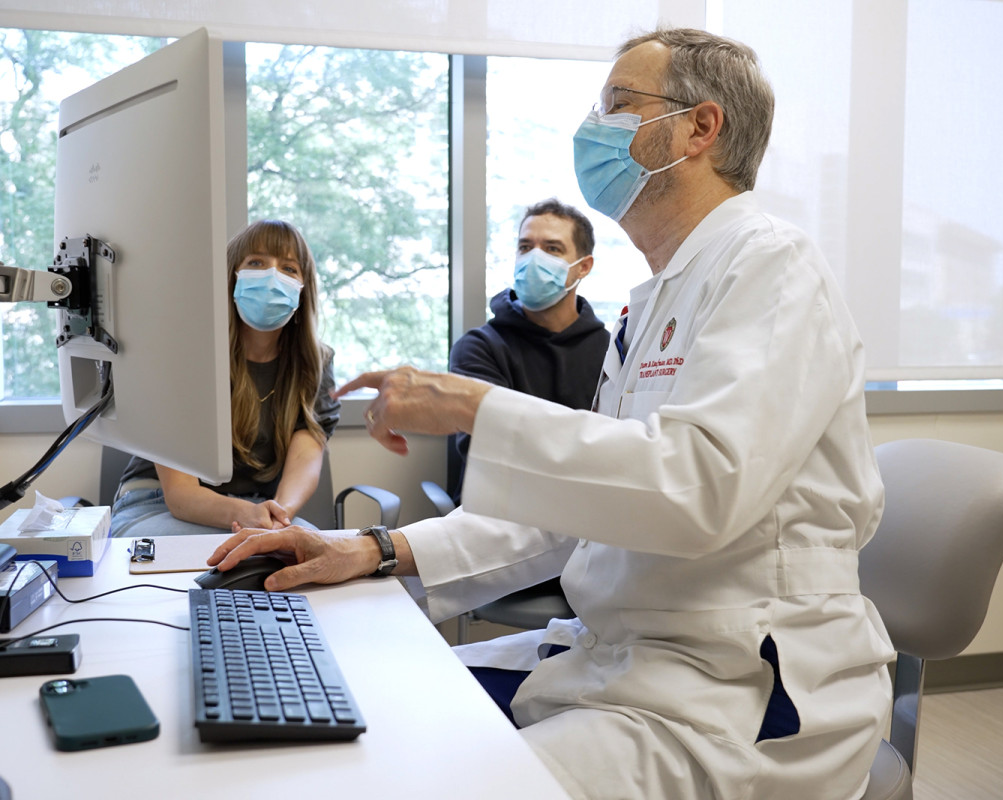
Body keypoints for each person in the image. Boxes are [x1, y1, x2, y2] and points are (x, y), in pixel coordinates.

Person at [209, 28, 893, 800]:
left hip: (733, 689)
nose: (592, 128)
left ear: (701, 128)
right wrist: (374, 549)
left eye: (618, 106)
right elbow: (575, 512)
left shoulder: (772, 265)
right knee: (367, 711)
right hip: (630, 662)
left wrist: (478, 406)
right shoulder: (655, 303)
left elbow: (699, 491)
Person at [110, 219, 340, 537]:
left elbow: (305, 461)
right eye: (256, 262)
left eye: (289, 268)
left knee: (304, 556)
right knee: (224, 559)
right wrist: (251, 518)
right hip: (157, 504)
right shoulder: (185, 355)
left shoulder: (316, 363)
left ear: (303, 289)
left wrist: (276, 518)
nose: (273, 276)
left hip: (262, 510)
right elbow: (180, 496)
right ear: (231, 276)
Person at [446, 198, 609, 503]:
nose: (534, 258)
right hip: (498, 513)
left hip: (587, 513)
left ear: (583, 267)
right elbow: (493, 451)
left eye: (552, 249)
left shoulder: (610, 350)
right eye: (525, 247)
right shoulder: (479, 348)